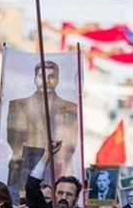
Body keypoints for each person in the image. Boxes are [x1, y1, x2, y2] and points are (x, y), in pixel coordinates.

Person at [5, 61, 79, 193]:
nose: (46, 81)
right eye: (42, 77)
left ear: (57, 80)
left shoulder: (70, 109)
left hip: (55, 168)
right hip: (24, 166)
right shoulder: (18, 105)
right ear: (35, 79)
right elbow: (13, 138)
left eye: (51, 77)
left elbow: (70, 144)